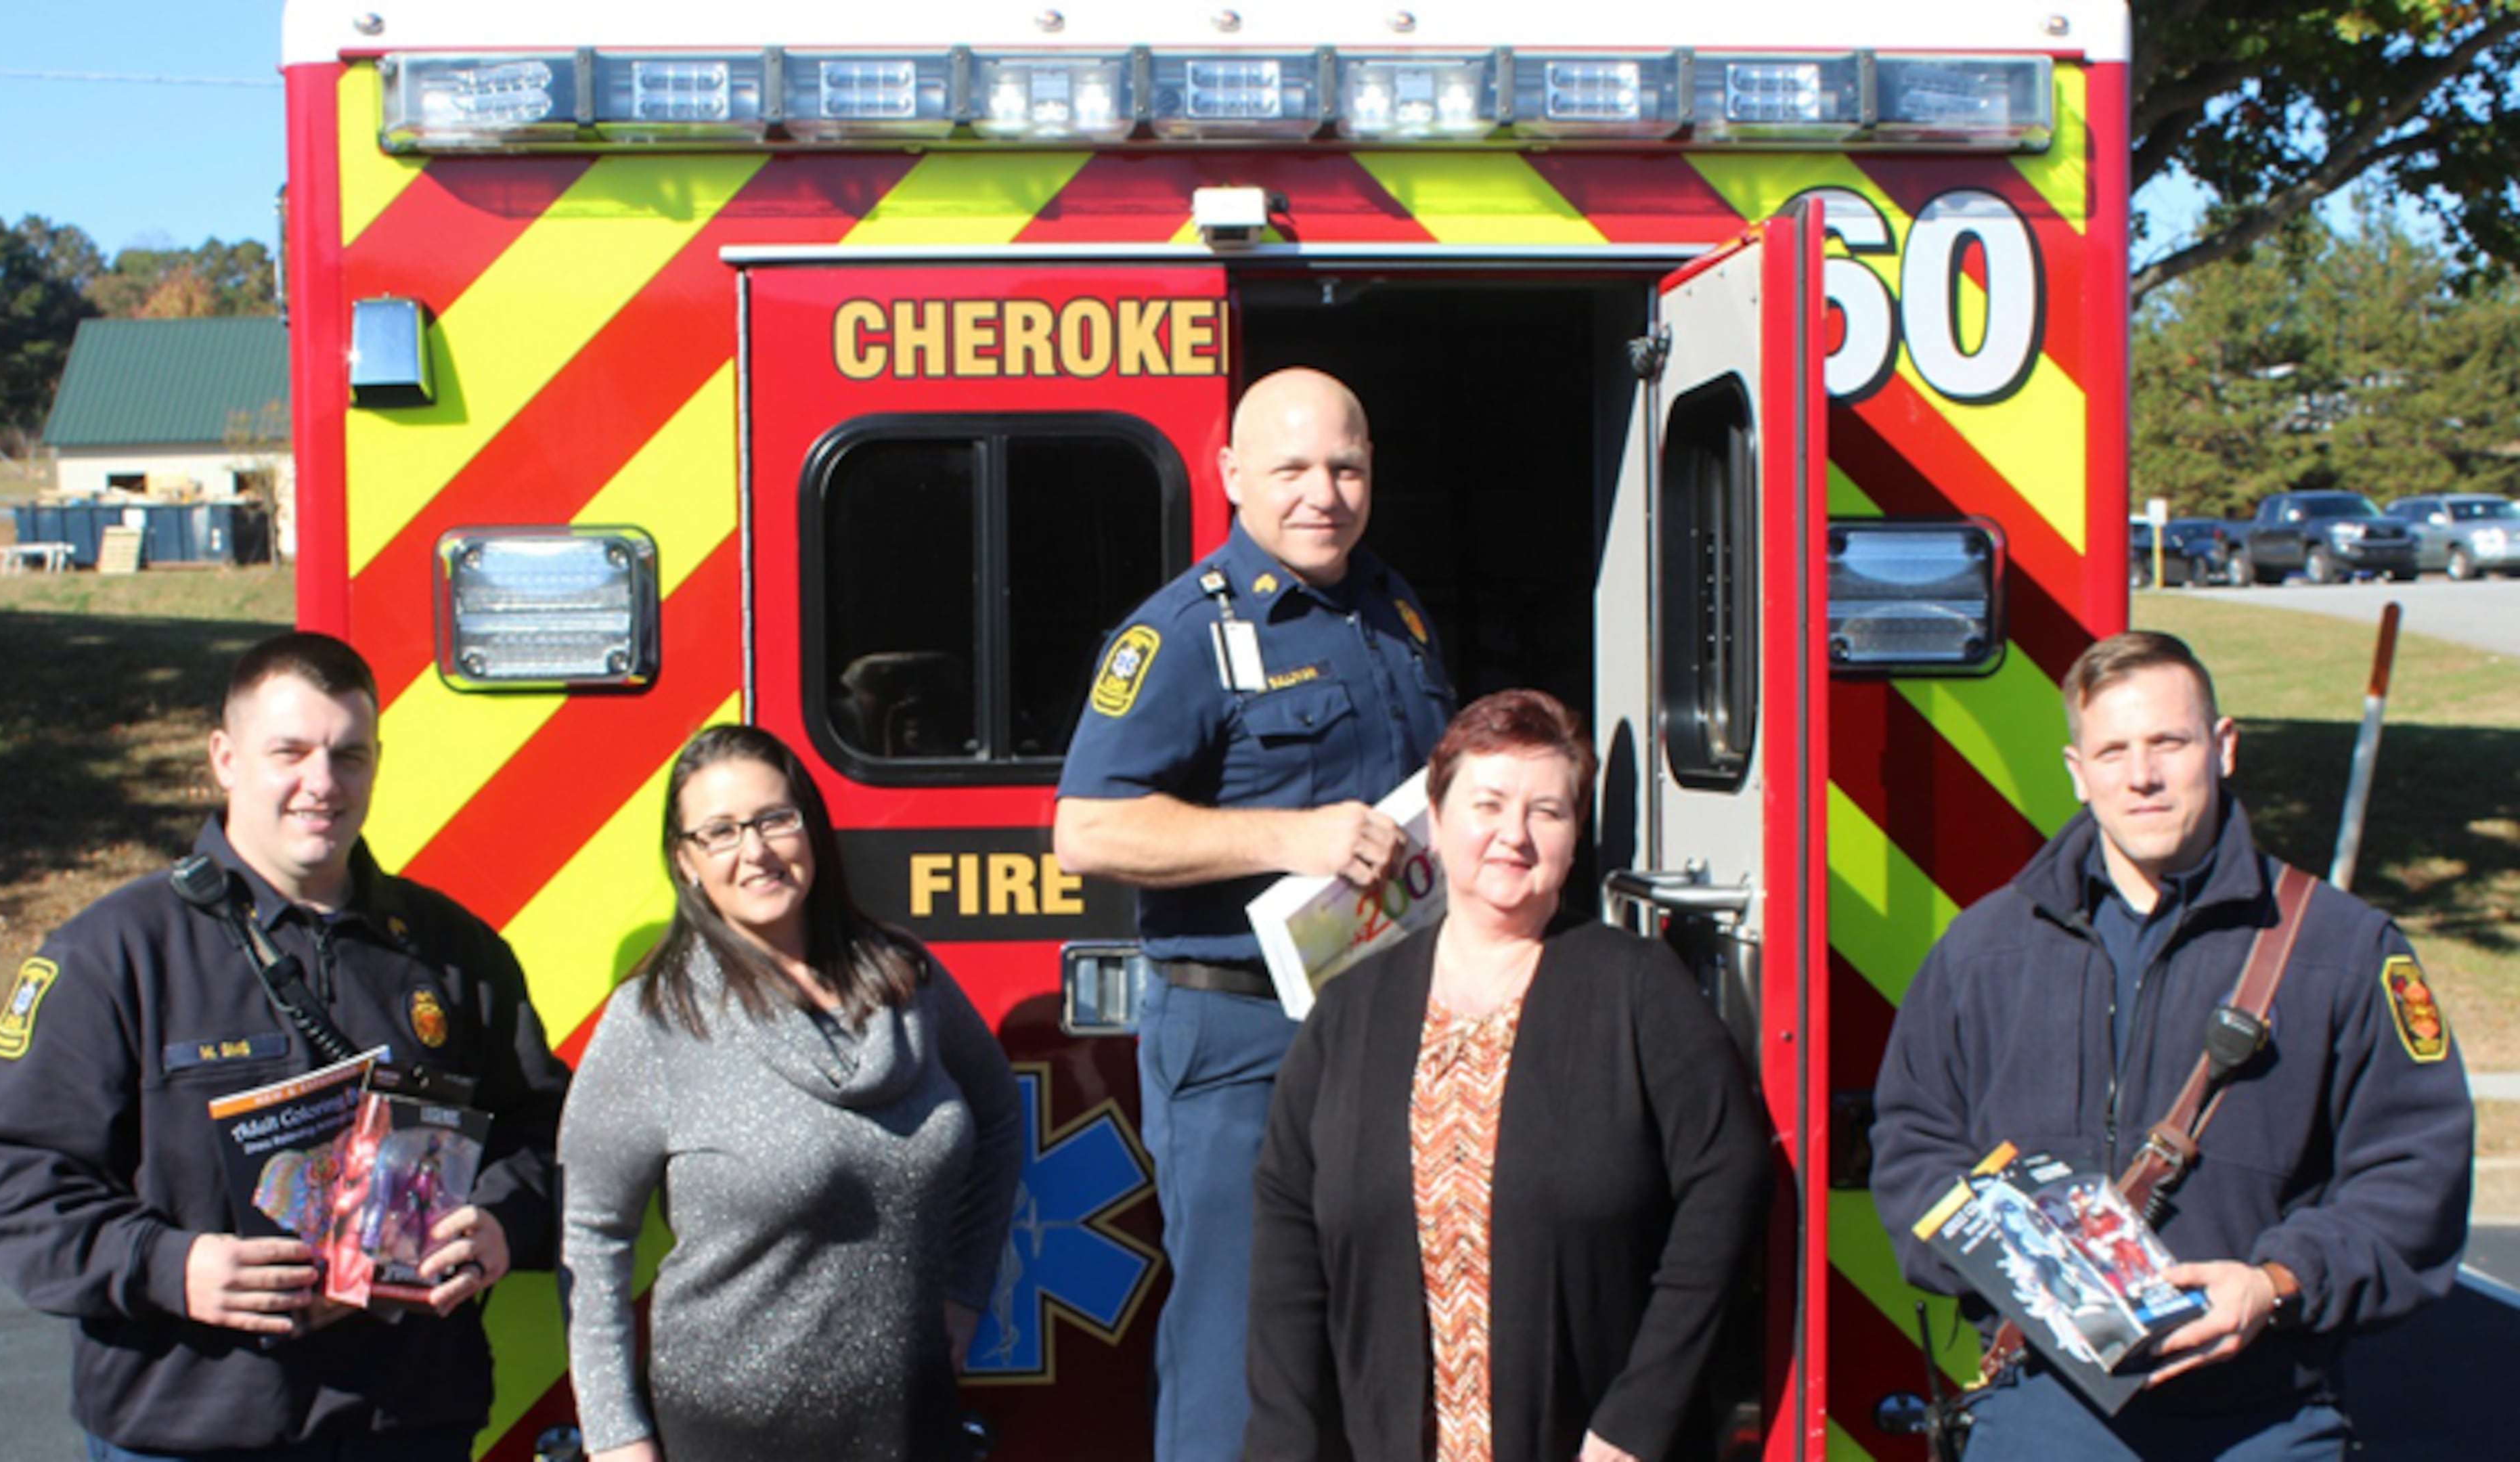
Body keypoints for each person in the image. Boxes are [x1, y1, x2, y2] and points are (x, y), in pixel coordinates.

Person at [0, 631, 569, 1462]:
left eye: (349, 755)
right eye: (291, 752)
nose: (322, 783)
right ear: (225, 758)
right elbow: (10, 1173)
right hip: (188, 1429)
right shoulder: (114, 953)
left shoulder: (453, 952)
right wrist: (171, 1266)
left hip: (408, 1424)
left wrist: (500, 1222)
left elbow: (545, 1131)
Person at [1869, 630, 2473, 1460]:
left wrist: (2278, 1283)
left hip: (2264, 1420)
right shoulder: (1984, 950)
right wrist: (2013, 1265)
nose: (2142, 776)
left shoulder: (2344, 947)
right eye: (2113, 750)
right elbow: (1912, 1147)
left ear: (2222, 749)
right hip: (2042, 1412)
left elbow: (2415, 1173)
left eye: (2168, 743)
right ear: (2079, 771)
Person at [1054, 367, 1457, 1461]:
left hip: (1389, 1025)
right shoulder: (1182, 633)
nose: (1321, 493)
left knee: (1381, 1332)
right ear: (1233, 475)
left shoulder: (1394, 609)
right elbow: (1089, 830)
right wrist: (1294, 837)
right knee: (1244, 1346)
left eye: (1345, 467)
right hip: (1240, 1042)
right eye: (1290, 469)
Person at [1244, 689, 1772, 1462]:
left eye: (1547, 812)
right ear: (1438, 812)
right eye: (1487, 804)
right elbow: (1288, 1240)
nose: (1513, 837)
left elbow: (1729, 1183)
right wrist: (1285, 1442)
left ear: (1576, 832)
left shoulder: (1638, 989)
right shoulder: (1351, 1011)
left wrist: (1639, 1417)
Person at [558, 724, 1023, 1462]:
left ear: (811, 826)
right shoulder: (655, 1017)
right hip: (731, 1429)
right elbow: (591, 1232)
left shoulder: (907, 980)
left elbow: (999, 1117)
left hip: (913, 1418)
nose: (757, 851)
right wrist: (616, 1434)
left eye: (776, 819)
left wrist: (967, 1291)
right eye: (720, 832)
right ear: (685, 863)